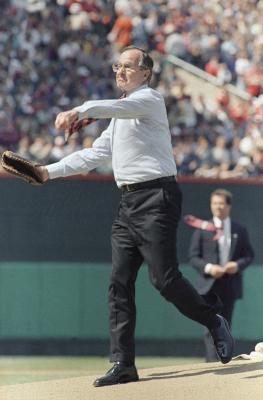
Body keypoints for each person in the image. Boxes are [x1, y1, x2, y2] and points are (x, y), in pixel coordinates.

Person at [37, 46, 234, 386]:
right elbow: (92, 156)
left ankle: (213, 318)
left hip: (158, 197)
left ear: (146, 73)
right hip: (127, 203)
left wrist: (79, 110)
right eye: (117, 66)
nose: (120, 71)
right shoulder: (119, 119)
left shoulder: (150, 100)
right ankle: (123, 363)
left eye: (128, 66)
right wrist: (46, 172)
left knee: (165, 280)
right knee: (119, 283)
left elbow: (114, 107)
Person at [189, 189, 254, 362]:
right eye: (214, 203)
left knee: (226, 325)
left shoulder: (239, 229)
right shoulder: (202, 229)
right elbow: (194, 258)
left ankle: (225, 361)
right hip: (209, 285)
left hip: (230, 284)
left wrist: (237, 265)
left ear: (229, 205)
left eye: (221, 203)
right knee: (210, 326)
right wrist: (210, 268)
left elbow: (248, 255)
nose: (218, 207)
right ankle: (213, 364)